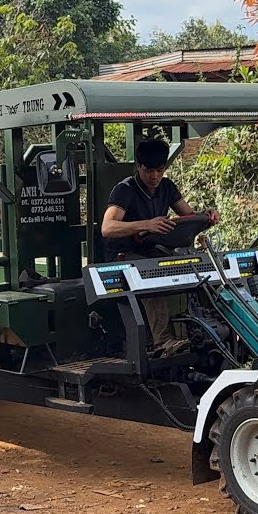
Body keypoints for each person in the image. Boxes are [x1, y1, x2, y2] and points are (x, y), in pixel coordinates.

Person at [101, 139, 218, 355]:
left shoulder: (167, 187)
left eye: (159, 170)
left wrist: (207, 216)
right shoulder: (124, 190)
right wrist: (146, 224)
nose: (154, 176)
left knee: (201, 270)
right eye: (148, 171)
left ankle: (210, 330)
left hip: (155, 252)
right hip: (123, 256)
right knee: (152, 275)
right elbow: (108, 227)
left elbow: (188, 216)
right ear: (138, 166)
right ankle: (163, 341)